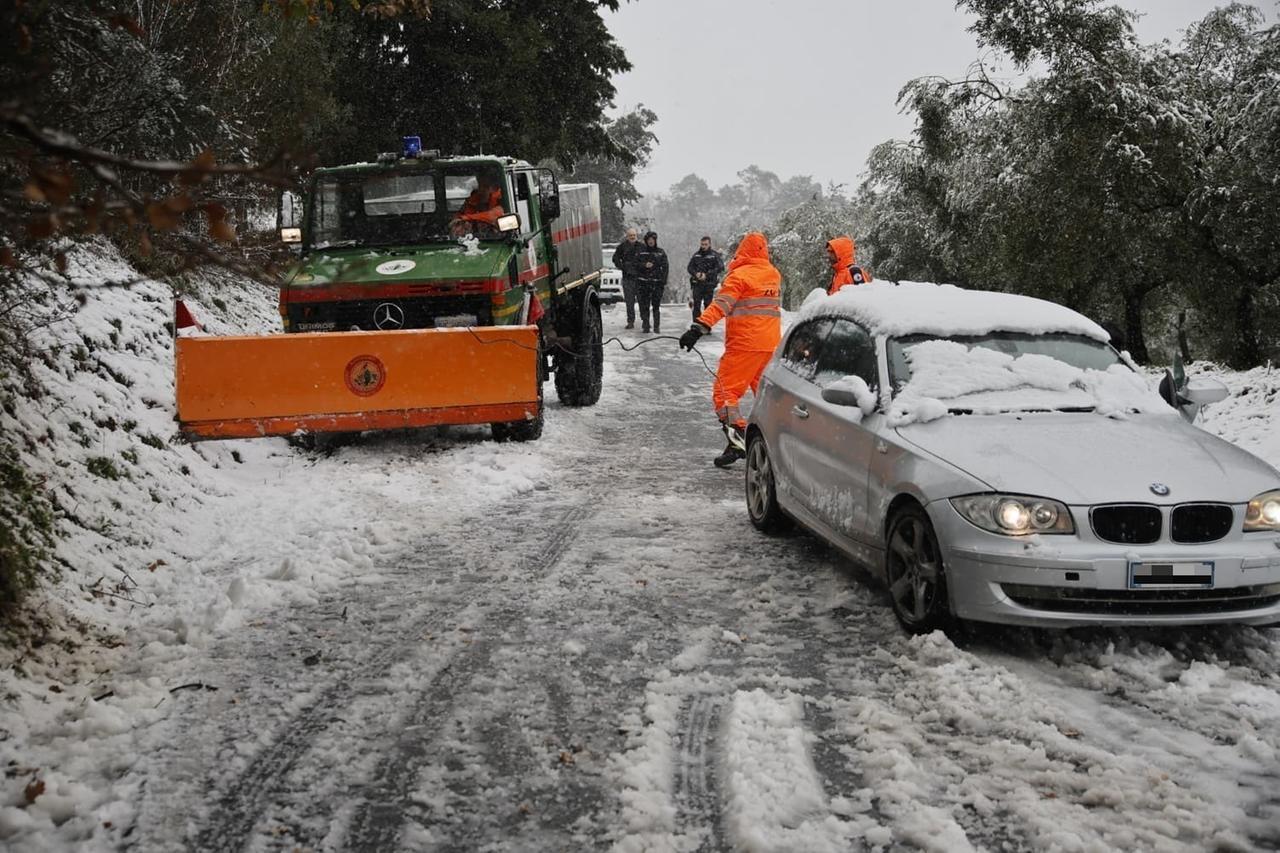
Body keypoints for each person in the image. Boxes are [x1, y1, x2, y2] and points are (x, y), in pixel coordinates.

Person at [678, 232, 782, 467]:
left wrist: (698, 328)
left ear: (742, 251)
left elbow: (721, 305)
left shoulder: (739, 276)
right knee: (766, 397)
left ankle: (740, 439)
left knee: (725, 394)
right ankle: (775, 443)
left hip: (744, 345)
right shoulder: (773, 275)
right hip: (770, 345)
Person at [634, 231, 669, 334]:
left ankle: (656, 327)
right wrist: (644, 265)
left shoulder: (660, 252)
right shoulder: (641, 252)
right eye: (649, 240)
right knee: (645, 305)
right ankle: (646, 325)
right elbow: (635, 265)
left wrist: (663, 281)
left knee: (656, 306)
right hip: (643, 283)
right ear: (646, 241)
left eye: (652, 240)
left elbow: (665, 267)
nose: (651, 242)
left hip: (657, 283)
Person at [687, 236, 724, 321]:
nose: (703, 246)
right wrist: (696, 274)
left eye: (705, 244)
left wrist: (707, 275)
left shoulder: (714, 255)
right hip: (697, 284)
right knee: (696, 305)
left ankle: (706, 324)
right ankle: (696, 324)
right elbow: (689, 267)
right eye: (702, 244)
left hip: (709, 284)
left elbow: (720, 267)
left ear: (709, 244)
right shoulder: (696, 255)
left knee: (708, 306)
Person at [611, 228, 641, 329]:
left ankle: (645, 320)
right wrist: (622, 266)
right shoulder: (622, 247)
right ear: (627, 236)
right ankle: (631, 321)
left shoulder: (641, 246)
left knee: (643, 301)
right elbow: (615, 258)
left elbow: (648, 258)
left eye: (634, 235)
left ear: (636, 236)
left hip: (640, 278)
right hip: (628, 278)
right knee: (629, 302)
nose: (632, 237)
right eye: (630, 235)